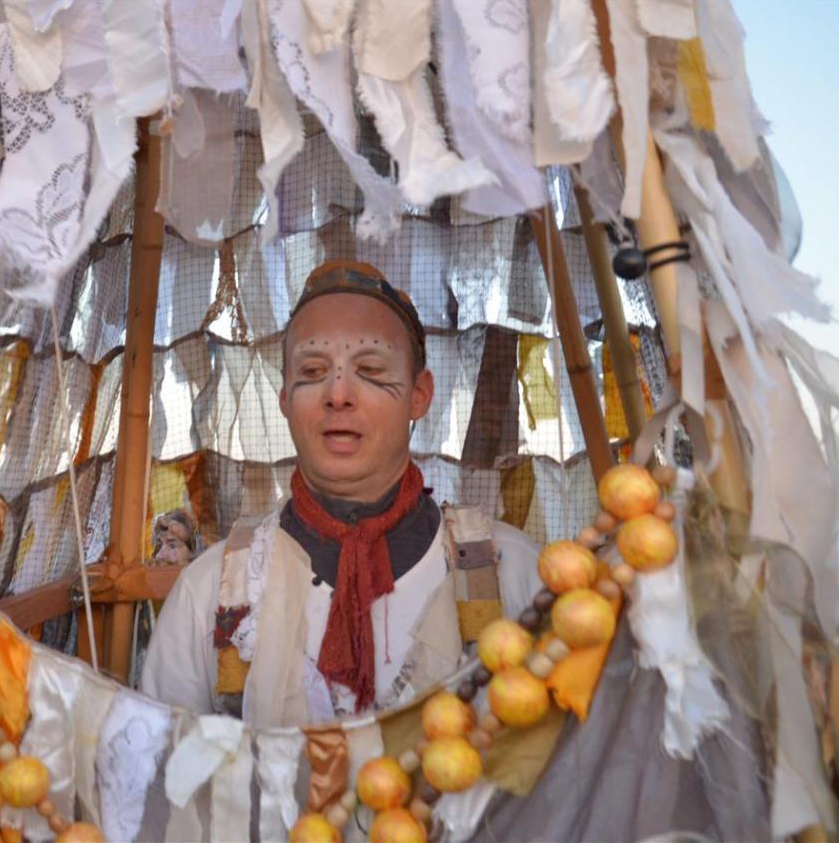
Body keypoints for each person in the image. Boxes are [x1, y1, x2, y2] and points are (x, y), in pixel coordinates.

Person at [140, 261, 542, 725]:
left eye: (369, 369)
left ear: (419, 394)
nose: (338, 394)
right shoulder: (211, 591)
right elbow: (161, 760)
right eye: (313, 370)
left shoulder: (512, 574)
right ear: (285, 397)